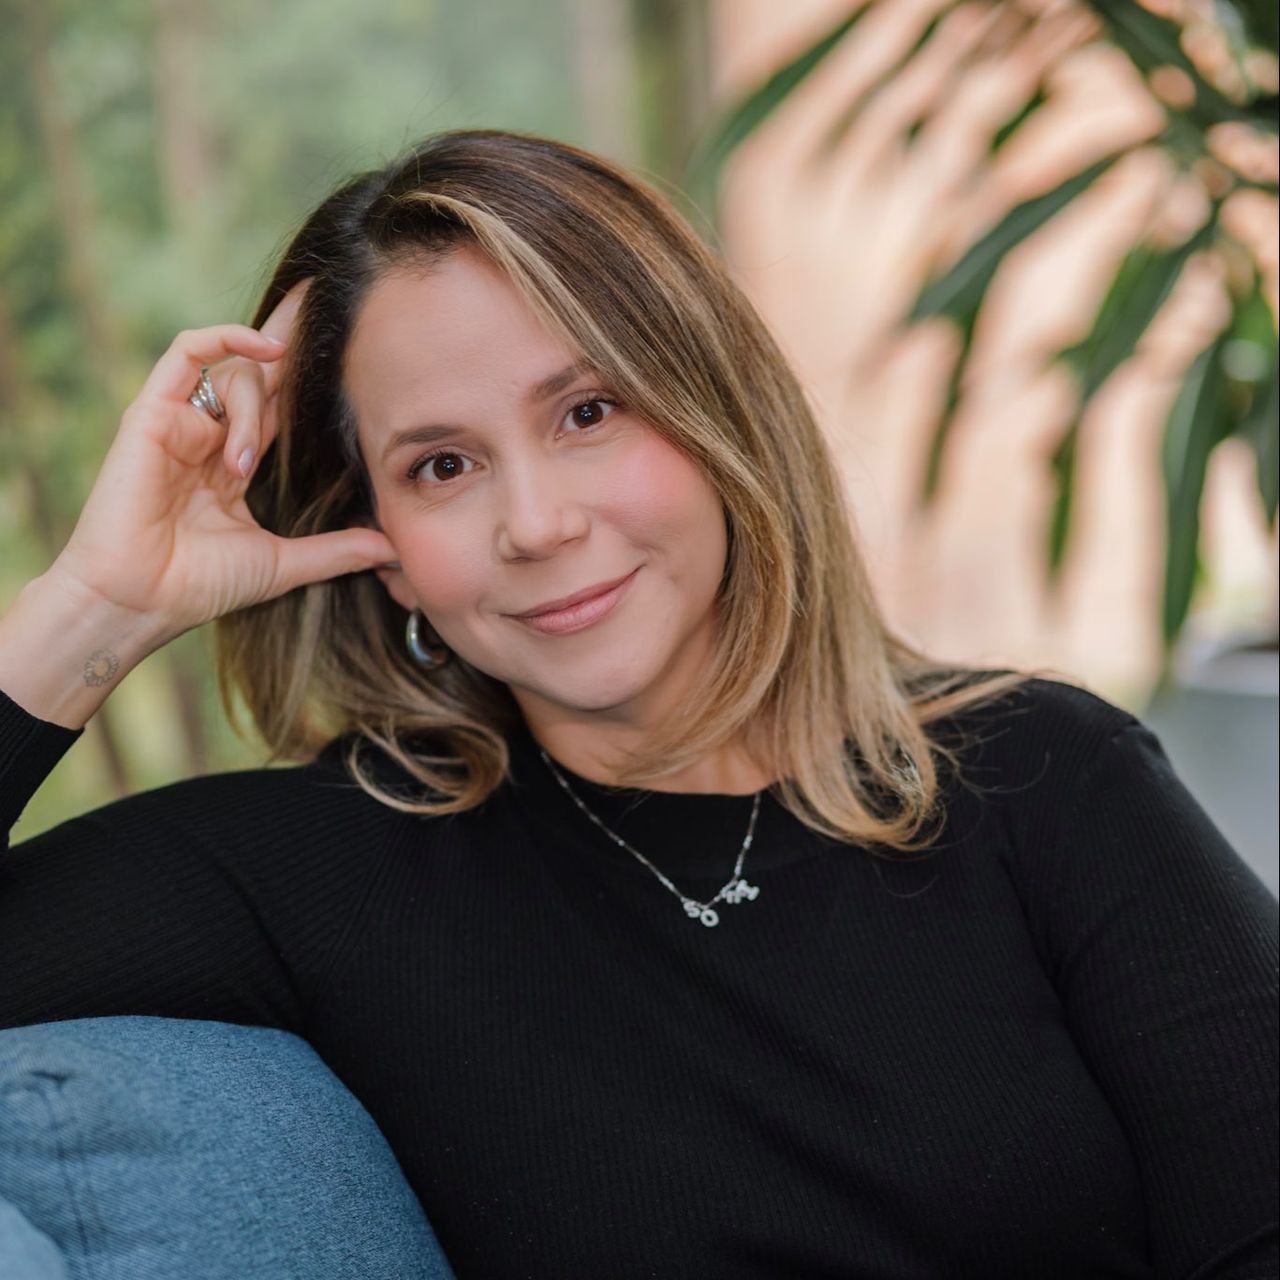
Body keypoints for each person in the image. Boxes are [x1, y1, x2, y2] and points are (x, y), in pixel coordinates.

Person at [0, 128, 1275, 1279]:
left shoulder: (1044, 774)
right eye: (440, 464)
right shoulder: (324, 869)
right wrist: (95, 608)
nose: (536, 523)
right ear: (374, 540)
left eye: (587, 410)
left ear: (718, 414)